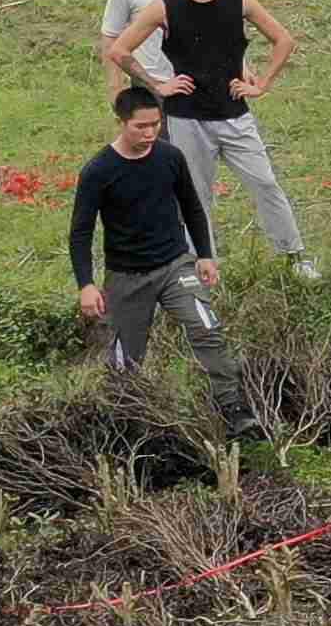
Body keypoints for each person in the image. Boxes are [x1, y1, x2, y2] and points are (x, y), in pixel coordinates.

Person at [98, 0, 314, 283]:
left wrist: (261, 84)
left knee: (266, 183)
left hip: (235, 115)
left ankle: (295, 256)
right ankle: (202, 265)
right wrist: (158, 85)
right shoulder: (165, 7)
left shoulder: (239, 0)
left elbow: (283, 39)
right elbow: (119, 49)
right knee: (196, 196)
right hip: (187, 119)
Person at [69, 87, 249, 433]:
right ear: (121, 122)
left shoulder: (170, 157)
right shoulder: (98, 171)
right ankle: (129, 427)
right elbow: (80, 232)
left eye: (155, 124)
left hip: (175, 266)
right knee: (125, 363)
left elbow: (192, 207)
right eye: (140, 126)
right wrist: (86, 285)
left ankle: (234, 409)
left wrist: (206, 255)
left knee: (206, 328)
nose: (149, 133)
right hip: (126, 278)